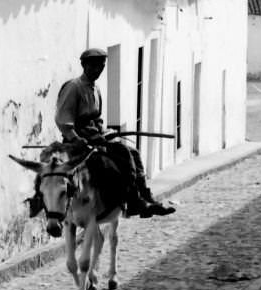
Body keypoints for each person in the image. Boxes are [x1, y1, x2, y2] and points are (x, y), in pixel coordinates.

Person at [54, 48, 175, 217]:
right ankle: (133, 201)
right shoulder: (73, 87)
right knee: (123, 154)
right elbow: (63, 119)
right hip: (78, 143)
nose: (98, 71)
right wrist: (76, 138)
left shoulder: (96, 90)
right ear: (84, 65)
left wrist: (105, 133)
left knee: (133, 152)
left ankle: (145, 196)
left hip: (96, 138)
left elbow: (97, 119)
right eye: (94, 66)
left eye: (101, 67)